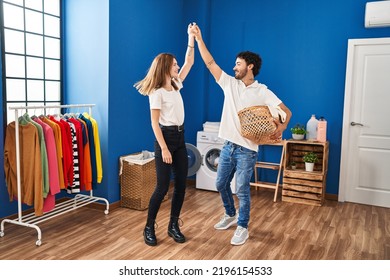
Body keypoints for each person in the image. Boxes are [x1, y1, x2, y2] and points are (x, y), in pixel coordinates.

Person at [191, 25, 292, 245]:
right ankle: (230, 214)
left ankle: (242, 227)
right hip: (228, 145)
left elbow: (287, 112)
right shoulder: (230, 84)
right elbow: (210, 63)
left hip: (248, 149)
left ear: (250, 66)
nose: (234, 67)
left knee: (242, 190)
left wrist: (280, 128)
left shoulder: (262, 91)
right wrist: (198, 39)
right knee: (220, 183)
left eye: (238, 64)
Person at [134, 23, 196, 246]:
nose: (178, 66)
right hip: (165, 140)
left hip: (180, 138)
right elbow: (154, 123)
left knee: (181, 184)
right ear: (165, 67)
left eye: (177, 64)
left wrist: (191, 37)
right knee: (161, 188)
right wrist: (164, 149)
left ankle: (173, 225)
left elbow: (190, 61)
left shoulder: (176, 85)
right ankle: (149, 227)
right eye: (175, 64)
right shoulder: (156, 92)